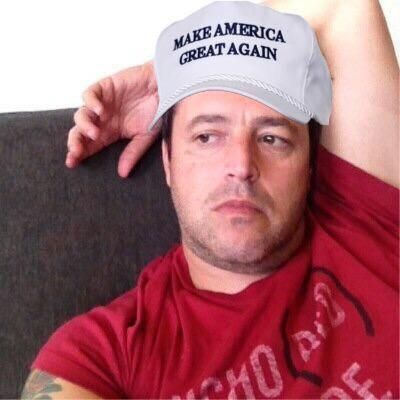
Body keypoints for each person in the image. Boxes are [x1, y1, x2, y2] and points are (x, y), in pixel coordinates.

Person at [22, 0, 399, 398]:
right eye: (206, 136)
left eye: (272, 138)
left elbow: (343, 7)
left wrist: (175, 70)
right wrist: (186, 70)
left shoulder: (367, 221)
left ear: (309, 165)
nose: (241, 165)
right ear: (168, 161)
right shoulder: (103, 353)